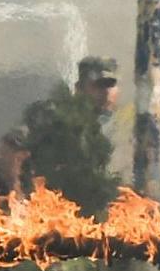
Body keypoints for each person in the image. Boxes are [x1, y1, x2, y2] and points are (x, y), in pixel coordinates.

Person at [20, 56, 122, 216]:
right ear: (79, 88)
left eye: (110, 85)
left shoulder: (113, 129)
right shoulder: (59, 121)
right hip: (56, 212)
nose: (106, 92)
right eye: (98, 86)